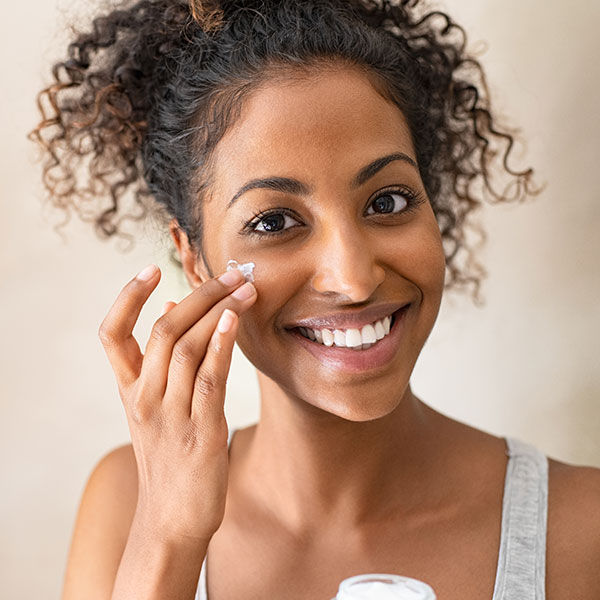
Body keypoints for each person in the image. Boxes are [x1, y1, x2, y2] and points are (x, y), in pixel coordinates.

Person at [30, 0, 600, 598]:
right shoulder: (128, 505)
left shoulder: (579, 530)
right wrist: (169, 538)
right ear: (194, 256)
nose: (353, 280)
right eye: (275, 221)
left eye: (387, 202)